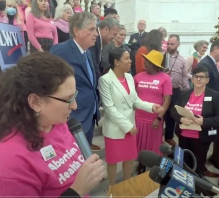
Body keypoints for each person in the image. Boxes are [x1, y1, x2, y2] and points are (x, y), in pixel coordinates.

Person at [0, 52, 105, 197]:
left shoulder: (58, 123)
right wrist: (76, 192)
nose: (75, 106)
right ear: (35, 102)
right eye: (68, 99)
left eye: (74, 96)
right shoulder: (7, 166)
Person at [99, 48, 164, 185]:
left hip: (130, 126)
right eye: (127, 58)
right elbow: (109, 109)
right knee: (113, 161)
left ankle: (126, 185)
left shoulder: (129, 77)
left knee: (129, 158)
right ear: (116, 62)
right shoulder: (105, 80)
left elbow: (135, 100)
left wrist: (151, 106)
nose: (130, 61)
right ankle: (112, 189)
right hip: (116, 128)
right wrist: (128, 126)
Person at [50, 12, 101, 151]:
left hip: (90, 116)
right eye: (91, 29)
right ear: (76, 30)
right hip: (73, 117)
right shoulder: (61, 51)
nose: (96, 33)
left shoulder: (88, 52)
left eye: (95, 29)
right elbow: (51, 84)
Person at [171, 66, 219, 177]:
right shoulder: (185, 93)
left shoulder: (215, 96)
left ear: (207, 80)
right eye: (196, 76)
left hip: (202, 136)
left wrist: (204, 121)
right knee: (184, 160)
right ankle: (184, 178)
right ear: (192, 79)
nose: (199, 79)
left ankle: (200, 175)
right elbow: (173, 110)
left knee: (199, 160)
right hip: (184, 135)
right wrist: (181, 119)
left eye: (202, 77)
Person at [135, 50, 172, 174]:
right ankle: (141, 164)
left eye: (148, 62)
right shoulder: (138, 77)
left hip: (154, 120)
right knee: (139, 143)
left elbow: (167, 100)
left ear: (155, 64)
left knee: (153, 145)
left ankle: (154, 168)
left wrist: (159, 118)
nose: (145, 63)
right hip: (138, 118)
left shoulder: (165, 78)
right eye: (145, 60)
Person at [197, 38, 219, 170]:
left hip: (212, 110)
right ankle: (200, 169)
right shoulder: (206, 64)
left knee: (207, 141)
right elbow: (201, 89)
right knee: (203, 142)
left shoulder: (214, 63)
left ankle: (202, 166)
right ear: (216, 48)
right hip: (207, 111)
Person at [89, 16, 120, 80]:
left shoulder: (100, 41)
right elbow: (93, 66)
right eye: (114, 34)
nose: (114, 38)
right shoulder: (94, 40)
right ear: (106, 29)